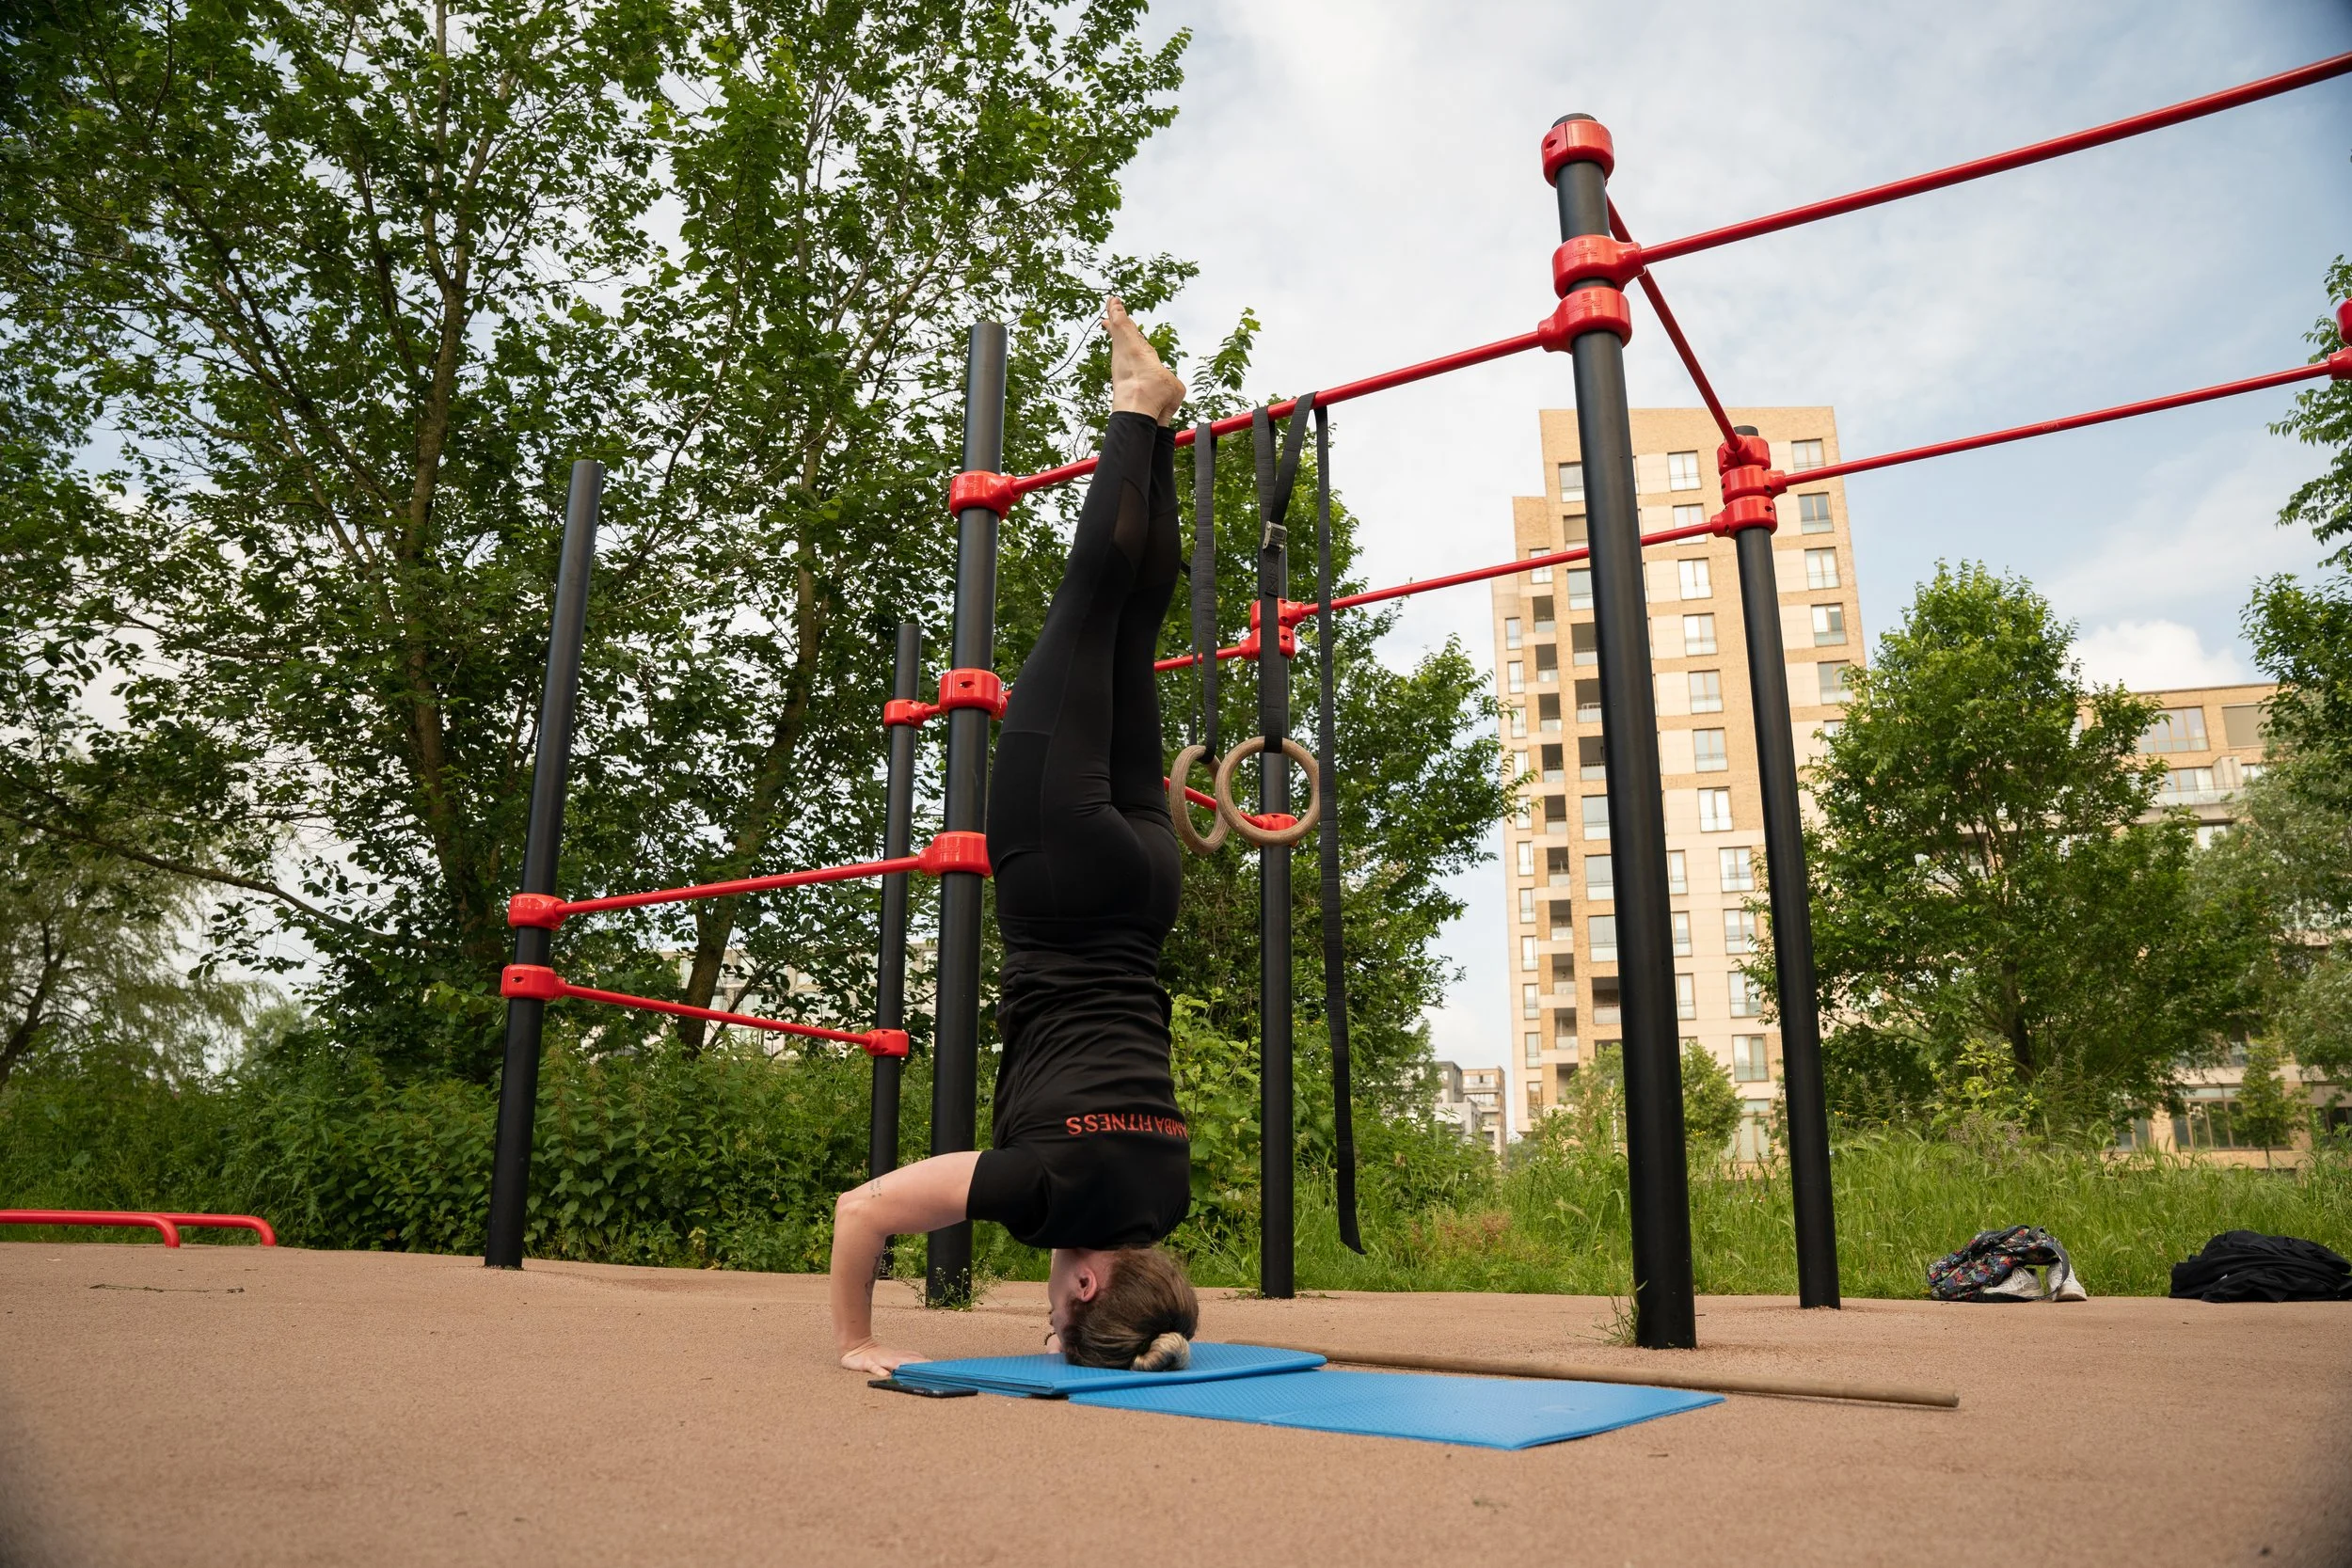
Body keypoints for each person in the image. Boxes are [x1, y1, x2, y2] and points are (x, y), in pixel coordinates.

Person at [830, 298, 1200, 1377]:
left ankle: (1160, 426)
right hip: (1062, 885)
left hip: (1145, 893)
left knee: (1130, 634)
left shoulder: (1162, 1192)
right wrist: (856, 1342)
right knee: (1084, 613)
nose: (1048, 1305)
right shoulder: (1043, 1199)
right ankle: (1136, 409)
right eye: (1060, 1314)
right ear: (1086, 1281)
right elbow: (864, 1210)